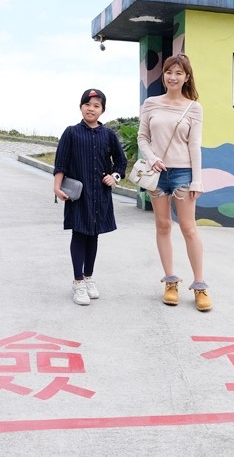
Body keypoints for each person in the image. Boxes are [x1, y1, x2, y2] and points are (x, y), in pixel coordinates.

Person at [137, 54, 211, 311]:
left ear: (186, 77)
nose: (173, 77)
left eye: (179, 73)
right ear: (164, 75)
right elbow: (142, 138)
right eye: (169, 72)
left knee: (189, 229)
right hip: (157, 174)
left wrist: (197, 181)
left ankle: (200, 286)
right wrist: (152, 158)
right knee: (163, 226)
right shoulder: (151, 103)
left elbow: (195, 146)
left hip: (183, 174)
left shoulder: (194, 108)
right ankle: (170, 281)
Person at [54, 88, 127, 306]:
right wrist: (57, 188)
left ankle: (88, 278)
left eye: (96, 106)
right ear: (81, 107)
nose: (91, 108)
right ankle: (78, 283)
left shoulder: (108, 135)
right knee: (79, 234)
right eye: (88, 104)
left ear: (102, 110)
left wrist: (114, 176)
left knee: (93, 235)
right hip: (78, 196)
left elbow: (121, 163)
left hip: (100, 195)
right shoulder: (71, 132)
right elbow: (61, 163)